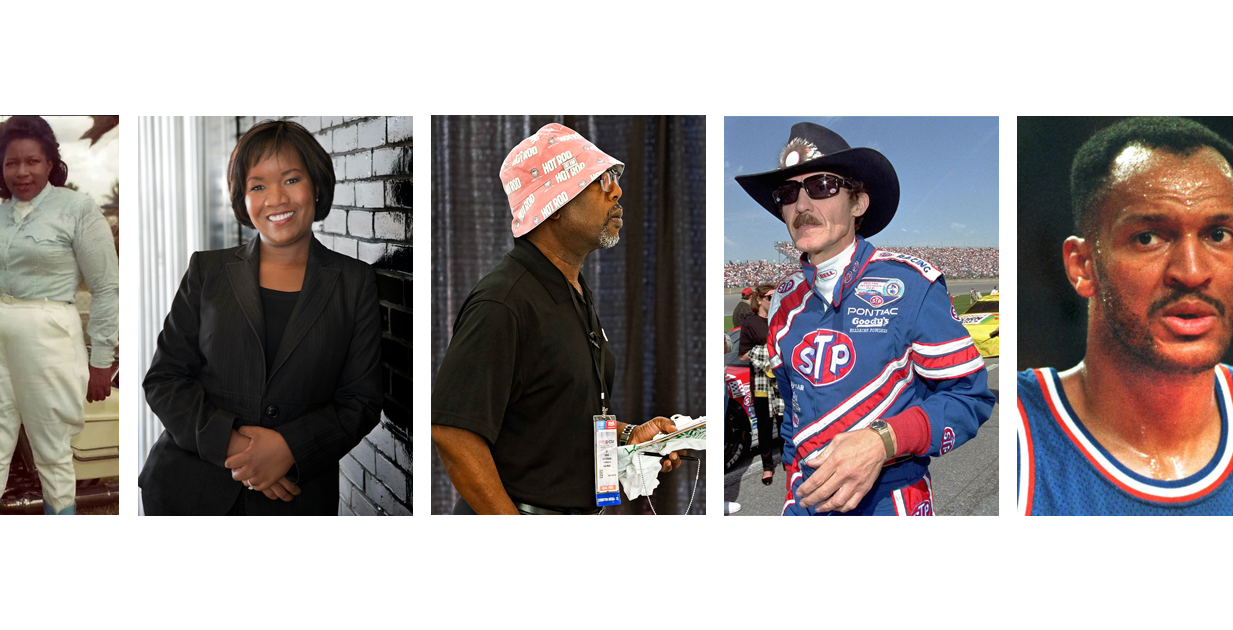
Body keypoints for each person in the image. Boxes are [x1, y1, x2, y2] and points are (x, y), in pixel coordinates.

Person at [1016, 117, 1233, 515]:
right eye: (1148, 237)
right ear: (1083, 266)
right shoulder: (1019, 437)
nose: (1192, 272)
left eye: (1218, 235)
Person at [734, 121, 994, 516]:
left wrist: (882, 441)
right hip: (805, 502)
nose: (802, 206)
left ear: (858, 204)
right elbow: (793, 414)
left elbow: (969, 397)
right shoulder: (784, 302)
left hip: (891, 502)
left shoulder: (912, 285)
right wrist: (792, 480)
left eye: (821, 186)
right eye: (788, 193)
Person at [432, 123, 684, 515]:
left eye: (613, 179)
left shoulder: (572, 291)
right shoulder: (502, 303)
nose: (617, 191)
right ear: (553, 205)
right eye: (601, 181)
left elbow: (556, 419)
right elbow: (452, 431)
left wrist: (633, 436)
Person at [141, 120, 383, 516]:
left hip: (296, 497)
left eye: (290, 180)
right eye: (258, 186)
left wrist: (288, 449)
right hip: (187, 492)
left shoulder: (355, 283)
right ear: (242, 198)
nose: (276, 198)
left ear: (316, 187)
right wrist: (240, 449)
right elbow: (165, 378)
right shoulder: (208, 271)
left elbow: (361, 401)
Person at [0, 115, 118, 515]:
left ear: (50, 163)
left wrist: (101, 361)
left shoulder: (77, 208)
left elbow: (107, 289)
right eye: (11, 163)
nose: (21, 172)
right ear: (1, 167)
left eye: (33, 161)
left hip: (49, 341)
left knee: (52, 451)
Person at [738, 283, 781, 485]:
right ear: (759, 300)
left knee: (785, 422)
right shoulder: (750, 323)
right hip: (761, 381)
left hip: (781, 379)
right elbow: (742, 355)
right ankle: (767, 467)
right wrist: (766, 353)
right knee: (764, 424)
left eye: (776, 297)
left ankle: (788, 461)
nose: (773, 301)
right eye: (770, 297)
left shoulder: (780, 319)